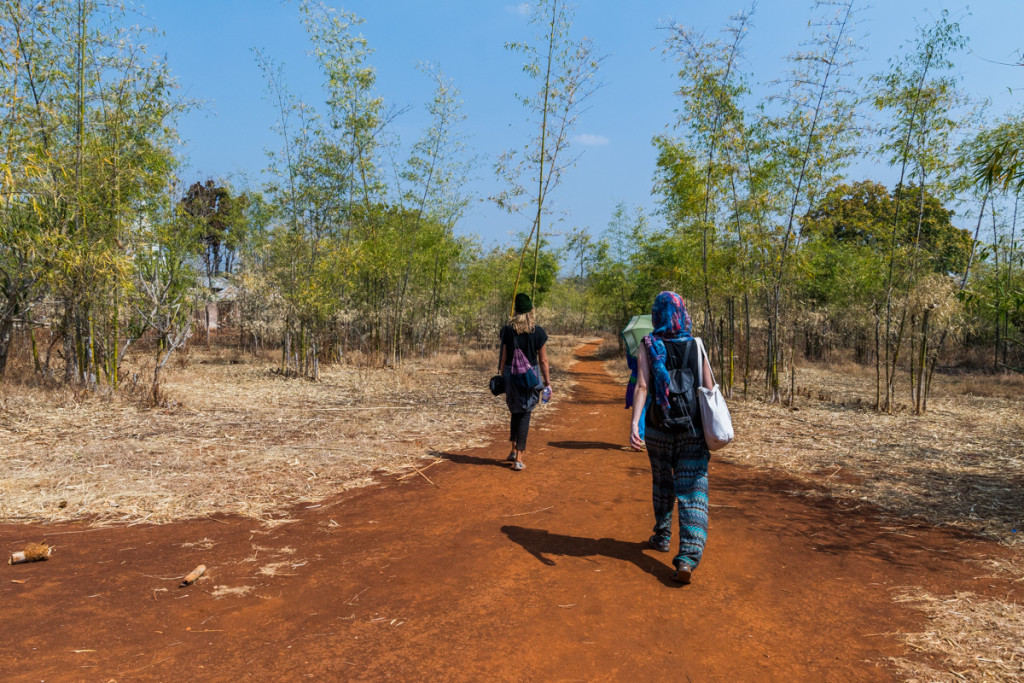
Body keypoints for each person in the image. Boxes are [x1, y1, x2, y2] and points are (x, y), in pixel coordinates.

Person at [629, 291, 714, 584]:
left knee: (663, 482)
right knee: (692, 492)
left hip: (658, 427)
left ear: (657, 315)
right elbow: (709, 386)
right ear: (682, 313)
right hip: (692, 430)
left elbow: (642, 386)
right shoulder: (696, 345)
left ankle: (663, 535)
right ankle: (688, 558)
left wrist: (634, 425)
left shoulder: (648, 344)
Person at [498, 293, 551, 472]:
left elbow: (504, 356)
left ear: (516, 311)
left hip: (510, 375)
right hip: (530, 375)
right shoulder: (538, 332)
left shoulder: (507, 330)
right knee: (525, 413)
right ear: (531, 311)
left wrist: (500, 374)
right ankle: (519, 458)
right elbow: (543, 360)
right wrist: (547, 382)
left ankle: (513, 449)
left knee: (515, 410)